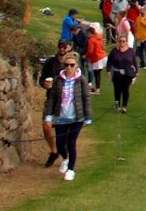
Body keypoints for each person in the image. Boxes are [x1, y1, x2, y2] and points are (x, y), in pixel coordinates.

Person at [44, 51, 92, 181]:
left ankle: (71, 169)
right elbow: (52, 98)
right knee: (60, 144)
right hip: (61, 116)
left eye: (72, 65)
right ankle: (65, 158)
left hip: (76, 117)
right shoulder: (58, 80)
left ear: (76, 66)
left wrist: (88, 116)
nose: (69, 68)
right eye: (66, 65)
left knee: (71, 142)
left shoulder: (81, 80)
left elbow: (85, 98)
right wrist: (48, 116)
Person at [39, 39, 71, 168]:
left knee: (63, 130)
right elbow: (42, 78)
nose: (62, 49)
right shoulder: (51, 62)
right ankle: (54, 151)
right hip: (51, 99)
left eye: (64, 47)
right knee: (46, 125)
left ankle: (65, 154)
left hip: (66, 101)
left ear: (68, 48)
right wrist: (44, 84)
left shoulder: (71, 63)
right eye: (60, 47)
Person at [107, 35, 138, 113]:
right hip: (117, 73)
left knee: (125, 89)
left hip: (127, 74)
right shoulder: (114, 51)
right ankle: (117, 104)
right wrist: (108, 70)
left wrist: (136, 71)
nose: (121, 43)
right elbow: (109, 61)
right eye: (120, 41)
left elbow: (134, 62)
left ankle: (124, 106)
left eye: (123, 41)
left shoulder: (130, 51)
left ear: (126, 42)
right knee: (117, 89)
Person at [85, 23, 107, 94]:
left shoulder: (91, 40)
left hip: (97, 57)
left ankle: (97, 89)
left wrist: (85, 56)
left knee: (96, 73)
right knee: (98, 73)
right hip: (103, 56)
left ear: (90, 33)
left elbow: (90, 51)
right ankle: (97, 87)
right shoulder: (99, 37)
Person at [134, 5, 146, 70]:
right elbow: (136, 27)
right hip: (139, 38)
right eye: (140, 10)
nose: (140, 11)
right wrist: (136, 36)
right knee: (140, 52)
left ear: (145, 11)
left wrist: (143, 23)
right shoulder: (138, 18)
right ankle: (142, 64)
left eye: (142, 10)